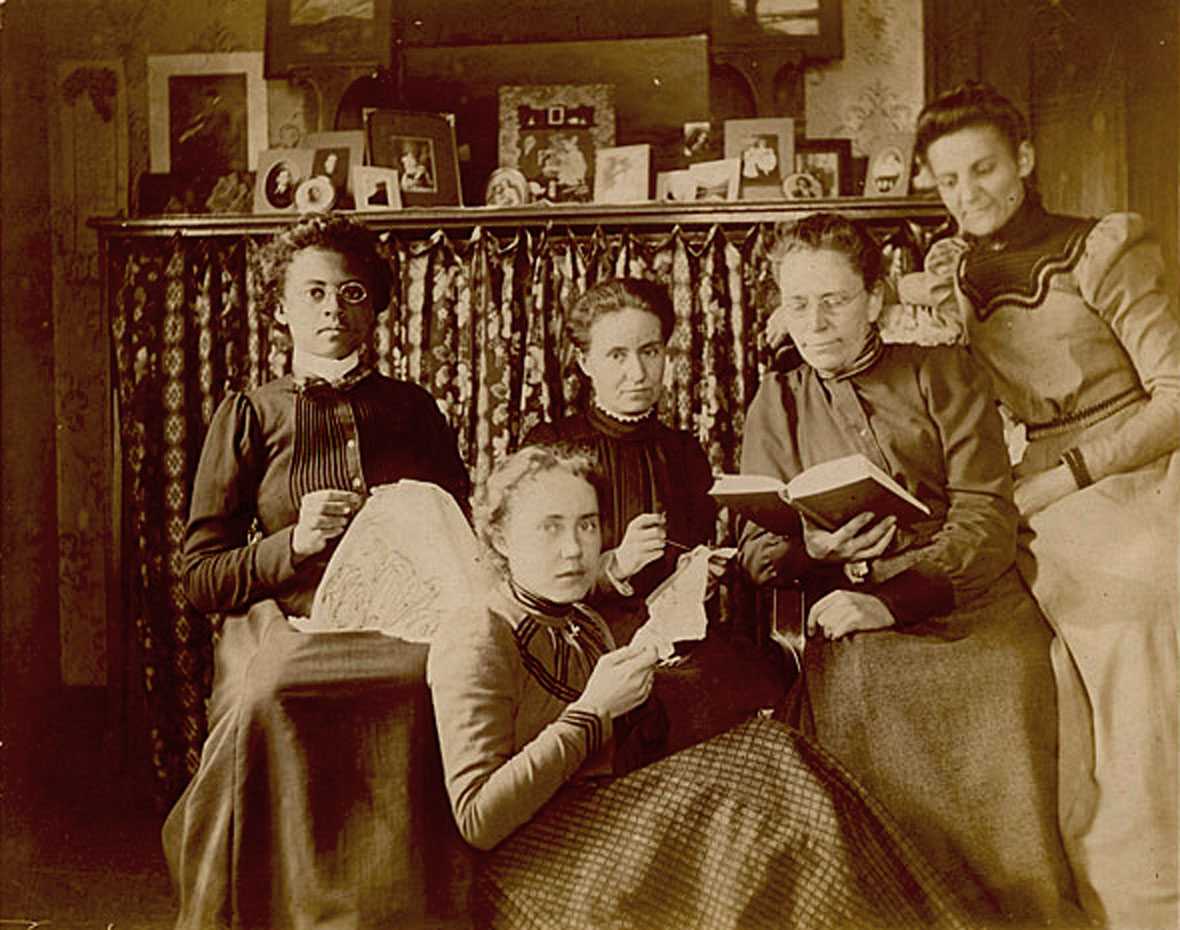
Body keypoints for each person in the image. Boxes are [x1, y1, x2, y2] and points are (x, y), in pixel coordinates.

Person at [427, 444, 980, 930]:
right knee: (771, 781)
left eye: (588, 524)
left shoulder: (582, 620)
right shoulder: (478, 633)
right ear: (499, 536)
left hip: (607, 820)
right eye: (549, 527)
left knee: (777, 765)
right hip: (539, 862)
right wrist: (593, 711)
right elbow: (479, 819)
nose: (574, 549)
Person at [738, 212, 1077, 926]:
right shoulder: (777, 401)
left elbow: (987, 516)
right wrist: (817, 552)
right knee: (864, 694)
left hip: (967, 596)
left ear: (877, 299)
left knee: (1009, 685)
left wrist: (895, 602)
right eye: (799, 304)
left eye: (835, 300)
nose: (817, 322)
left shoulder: (943, 373)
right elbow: (759, 548)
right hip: (846, 604)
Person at [906, 80, 1179, 930]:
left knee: (1130, 630)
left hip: (1138, 475)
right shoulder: (951, 272)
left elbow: (1175, 395)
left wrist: (1067, 478)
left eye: (983, 168)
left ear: (1023, 160)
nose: (968, 194)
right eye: (947, 181)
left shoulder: (1102, 247)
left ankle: (1151, 898)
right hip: (1030, 493)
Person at [163, 212, 471, 929]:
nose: (333, 308)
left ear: (377, 307)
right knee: (271, 692)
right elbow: (201, 577)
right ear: (281, 308)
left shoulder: (413, 409)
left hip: (401, 620)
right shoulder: (248, 413)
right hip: (285, 614)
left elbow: (459, 532)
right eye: (314, 292)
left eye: (353, 292)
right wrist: (292, 544)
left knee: (441, 682)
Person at [523, 278, 783, 751]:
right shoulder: (551, 448)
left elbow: (690, 558)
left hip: (674, 640)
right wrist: (614, 565)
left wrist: (700, 574)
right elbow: (526, 580)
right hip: (582, 644)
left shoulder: (684, 452)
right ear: (585, 363)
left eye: (651, 351)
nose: (638, 373)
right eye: (617, 355)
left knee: (756, 683)